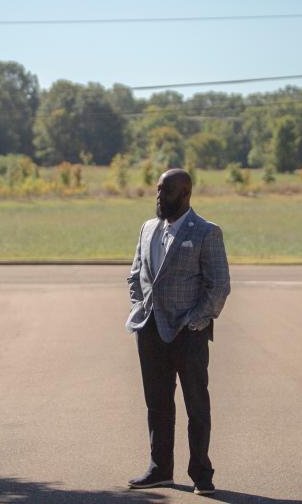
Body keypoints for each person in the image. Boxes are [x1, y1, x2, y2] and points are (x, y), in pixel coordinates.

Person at [125, 168, 231, 496]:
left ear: (185, 194)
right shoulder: (147, 228)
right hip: (150, 329)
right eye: (157, 190)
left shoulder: (206, 232)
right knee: (157, 404)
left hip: (189, 333)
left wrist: (194, 321)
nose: (158, 197)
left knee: (196, 405)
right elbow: (135, 275)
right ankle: (160, 470)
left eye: (165, 191)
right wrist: (141, 307)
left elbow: (219, 286)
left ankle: (202, 473)